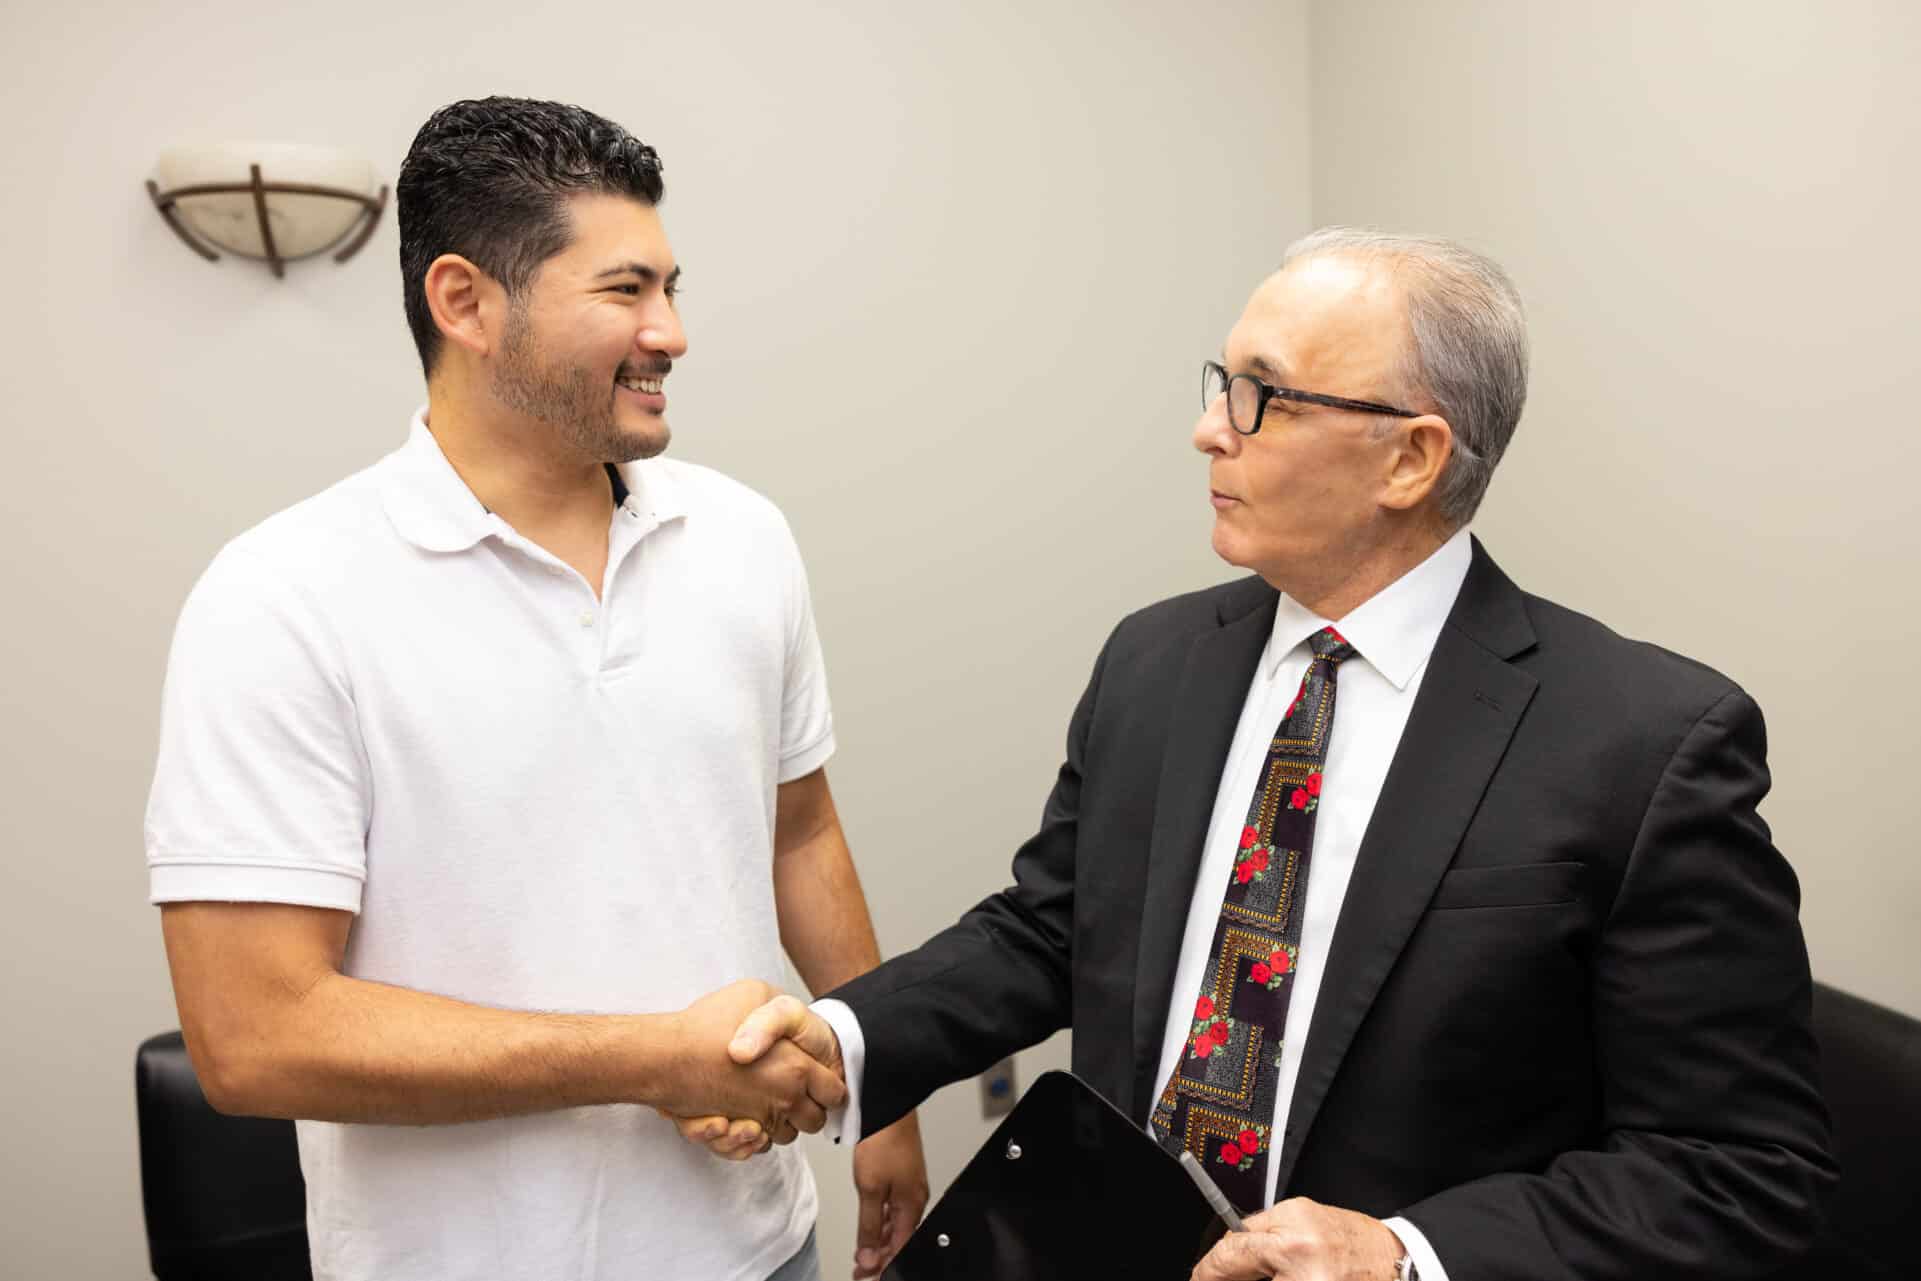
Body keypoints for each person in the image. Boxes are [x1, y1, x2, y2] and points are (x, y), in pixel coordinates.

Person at [695, 229, 1835, 1280]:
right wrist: (842, 1039)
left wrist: (1403, 1256)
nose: (1209, 427)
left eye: (1262, 397)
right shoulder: (1157, 660)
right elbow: (1052, 924)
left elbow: (1738, 1170)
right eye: (1219, 383)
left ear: (1410, 459)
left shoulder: (1645, 743)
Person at [145, 96, 925, 1281]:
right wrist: (655, 1059)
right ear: (464, 301)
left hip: (762, 1248)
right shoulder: (282, 598)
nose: (671, 331)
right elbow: (256, 1037)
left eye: (671, 285)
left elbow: (802, 833)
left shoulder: (743, 537)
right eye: (624, 291)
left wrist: (887, 1086)